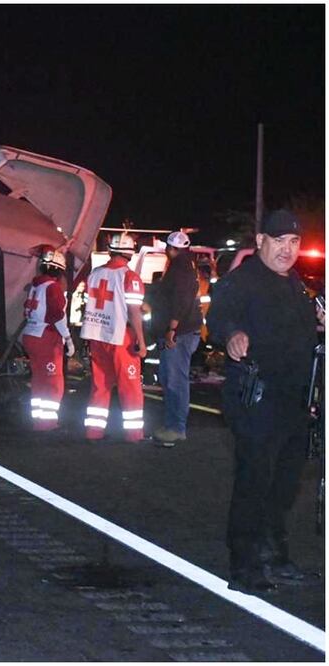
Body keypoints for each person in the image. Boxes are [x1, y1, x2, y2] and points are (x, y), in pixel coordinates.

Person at [206, 209, 322, 593]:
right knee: (254, 481)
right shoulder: (244, 281)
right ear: (260, 242)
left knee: (285, 483)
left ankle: (273, 551)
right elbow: (221, 315)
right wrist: (233, 333)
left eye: (293, 243)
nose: (286, 250)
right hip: (256, 400)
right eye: (278, 241)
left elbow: (305, 336)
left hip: (293, 402)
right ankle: (244, 566)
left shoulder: (293, 286)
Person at [79, 233, 148, 442]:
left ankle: (93, 431)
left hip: (96, 335)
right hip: (121, 337)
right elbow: (134, 312)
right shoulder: (130, 277)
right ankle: (134, 434)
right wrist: (141, 342)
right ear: (129, 252)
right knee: (130, 387)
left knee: (100, 385)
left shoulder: (95, 274)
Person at [150, 231, 203, 446]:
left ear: (171, 249)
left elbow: (180, 300)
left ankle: (176, 428)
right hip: (182, 331)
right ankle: (172, 424)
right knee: (170, 378)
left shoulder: (180, 269)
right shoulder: (187, 266)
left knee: (175, 381)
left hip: (179, 333)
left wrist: (172, 327)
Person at [21, 248, 76, 431]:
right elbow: (56, 315)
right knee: (53, 382)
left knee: (39, 380)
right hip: (46, 338)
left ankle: (38, 420)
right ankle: (48, 423)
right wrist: (68, 339)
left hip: (31, 335)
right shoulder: (53, 287)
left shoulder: (36, 286)